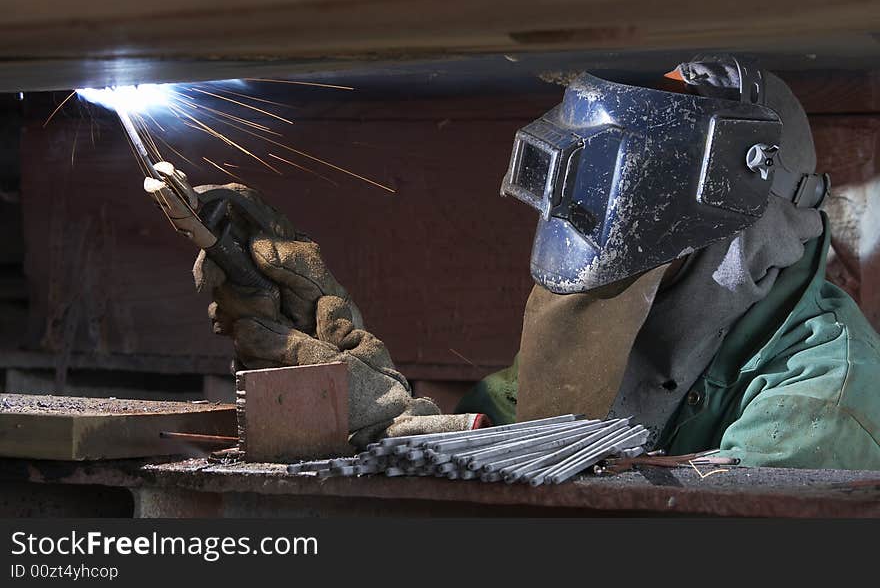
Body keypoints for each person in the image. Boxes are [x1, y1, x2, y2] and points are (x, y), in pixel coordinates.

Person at [195, 55, 880, 469]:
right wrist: (372, 405)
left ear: (733, 229)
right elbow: (515, 445)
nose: (616, 243)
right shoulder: (631, 310)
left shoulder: (819, 397)